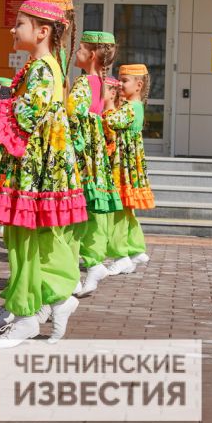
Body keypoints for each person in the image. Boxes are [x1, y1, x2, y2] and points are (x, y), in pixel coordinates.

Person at [0, 0, 87, 347]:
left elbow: (27, 116)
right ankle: (48, 301)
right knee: (32, 241)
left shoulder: (41, 68)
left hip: (35, 169)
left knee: (25, 241)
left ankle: (29, 314)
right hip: (42, 166)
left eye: (20, 23)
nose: (13, 29)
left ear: (42, 32)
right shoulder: (43, 65)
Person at [68, 31, 121, 296]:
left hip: (82, 154)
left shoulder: (83, 82)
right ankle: (92, 263)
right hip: (96, 155)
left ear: (90, 55)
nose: (75, 52)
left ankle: (81, 269)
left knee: (78, 212)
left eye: (79, 49)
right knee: (91, 212)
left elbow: (72, 116)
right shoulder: (102, 82)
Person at [105, 64, 156, 273]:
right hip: (128, 166)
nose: (119, 84)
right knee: (126, 210)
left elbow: (111, 121)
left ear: (139, 85)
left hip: (122, 167)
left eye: (124, 81)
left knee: (118, 210)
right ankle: (135, 249)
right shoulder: (135, 106)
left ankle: (120, 255)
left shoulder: (130, 108)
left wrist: (107, 103)